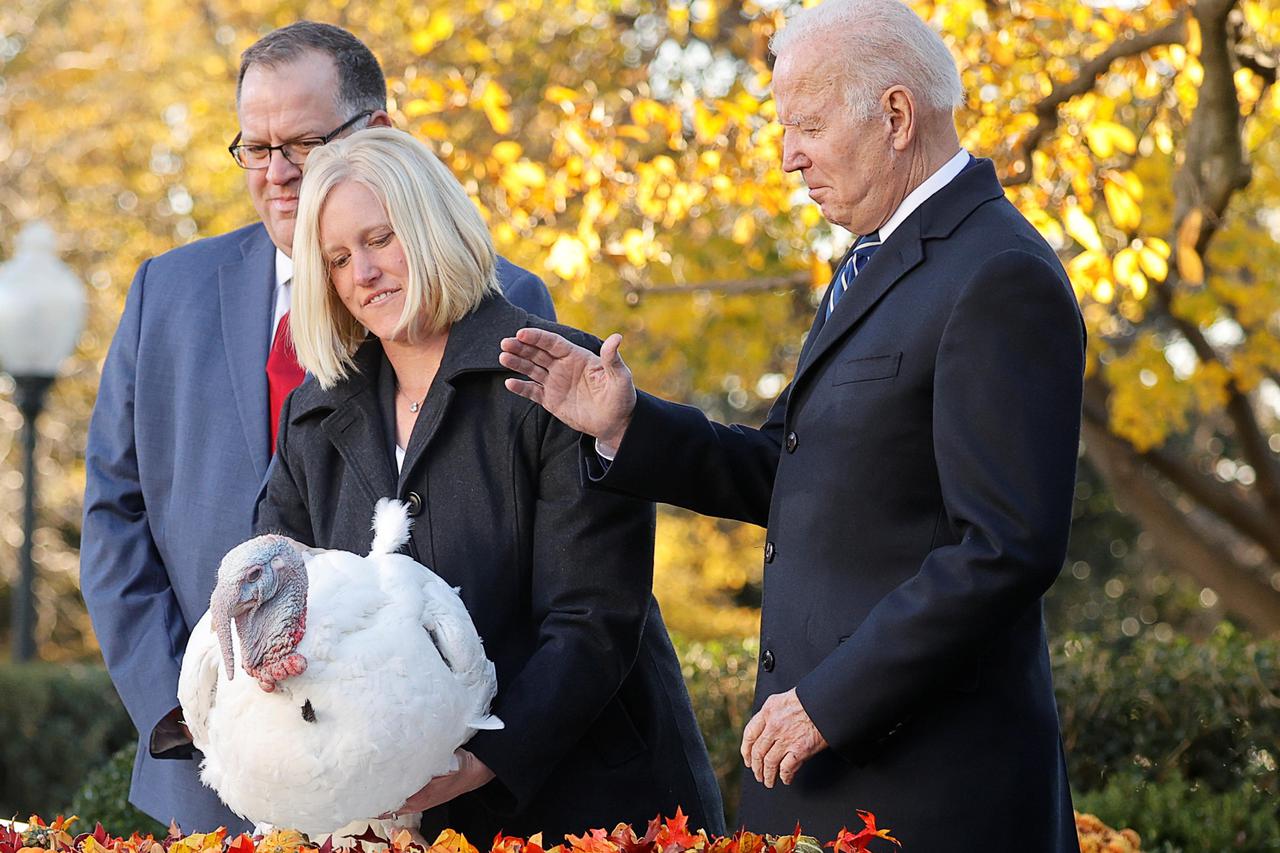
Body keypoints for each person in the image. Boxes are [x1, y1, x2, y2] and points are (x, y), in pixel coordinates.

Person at [498, 0, 1084, 849]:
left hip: (929, 798)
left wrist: (827, 700)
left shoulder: (998, 273)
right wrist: (626, 423)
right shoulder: (873, 259)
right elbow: (789, 470)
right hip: (823, 785)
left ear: (894, 115)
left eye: (805, 125)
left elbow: (1005, 549)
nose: (787, 156)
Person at [81, 22, 555, 833]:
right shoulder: (167, 291)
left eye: (301, 142)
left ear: (376, 133)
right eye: (255, 147)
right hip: (208, 771)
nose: (275, 173)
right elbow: (114, 518)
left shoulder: (501, 301)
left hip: (425, 783)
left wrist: (440, 737)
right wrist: (193, 712)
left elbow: (546, 578)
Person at [254, 126, 725, 842]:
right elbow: (273, 577)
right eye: (338, 259)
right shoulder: (314, 415)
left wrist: (481, 759)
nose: (363, 274)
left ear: (430, 225)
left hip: (587, 809)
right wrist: (268, 648)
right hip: (390, 813)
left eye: (380, 239)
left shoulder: (554, 375)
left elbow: (593, 619)